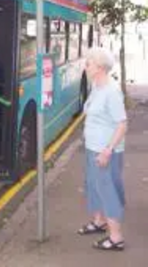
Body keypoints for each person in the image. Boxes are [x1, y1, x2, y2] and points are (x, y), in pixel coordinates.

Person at [78, 47, 127, 251]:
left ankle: (116, 238)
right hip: (93, 147)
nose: (85, 66)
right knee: (93, 185)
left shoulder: (111, 91)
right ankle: (99, 222)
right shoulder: (97, 86)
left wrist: (107, 150)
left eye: (88, 63)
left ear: (99, 68)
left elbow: (122, 124)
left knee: (107, 191)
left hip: (105, 151)